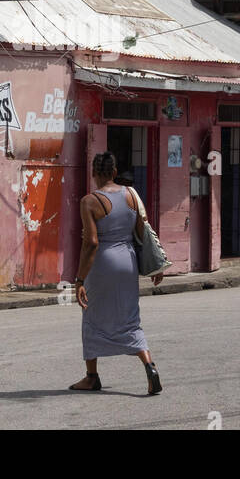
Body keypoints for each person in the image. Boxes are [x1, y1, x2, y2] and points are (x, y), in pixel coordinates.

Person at [70, 151, 163, 395]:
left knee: (91, 316)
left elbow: (91, 243)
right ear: (114, 172)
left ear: (93, 173)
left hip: (103, 265)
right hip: (128, 261)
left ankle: (91, 376)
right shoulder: (132, 194)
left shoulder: (89, 201)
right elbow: (142, 230)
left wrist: (79, 279)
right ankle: (149, 365)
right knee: (130, 317)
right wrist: (157, 265)